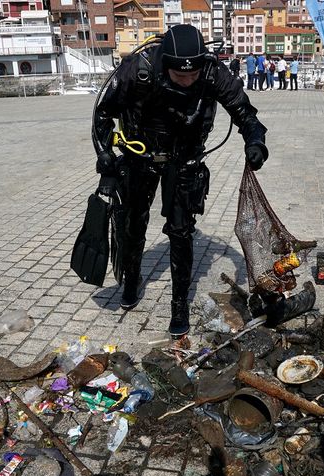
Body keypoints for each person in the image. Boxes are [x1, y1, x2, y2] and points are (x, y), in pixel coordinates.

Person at [91, 25, 269, 335]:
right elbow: (102, 112)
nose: (187, 81)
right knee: (133, 223)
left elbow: (244, 111)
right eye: (179, 76)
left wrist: (255, 140)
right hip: (139, 157)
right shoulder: (138, 69)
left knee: (181, 231)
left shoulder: (212, 72)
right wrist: (104, 151)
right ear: (165, 64)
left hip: (184, 160)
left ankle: (178, 305)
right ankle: (131, 281)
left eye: (192, 75)